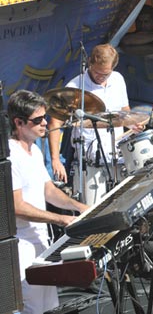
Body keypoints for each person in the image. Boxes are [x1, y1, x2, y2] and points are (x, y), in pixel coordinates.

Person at [8, 90, 89, 314]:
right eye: (38, 120)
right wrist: (60, 218)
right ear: (19, 122)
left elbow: (48, 190)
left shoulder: (34, 149)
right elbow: (17, 207)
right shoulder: (10, 157)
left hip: (41, 243)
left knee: (51, 308)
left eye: (45, 117)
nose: (45, 122)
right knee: (32, 309)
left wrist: (79, 207)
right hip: (21, 247)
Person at [48, 44, 134, 204]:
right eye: (97, 72)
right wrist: (55, 159)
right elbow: (54, 122)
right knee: (95, 210)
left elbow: (125, 111)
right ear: (89, 63)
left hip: (118, 154)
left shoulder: (118, 79)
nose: (101, 77)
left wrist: (133, 124)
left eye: (106, 74)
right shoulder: (75, 88)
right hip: (90, 159)